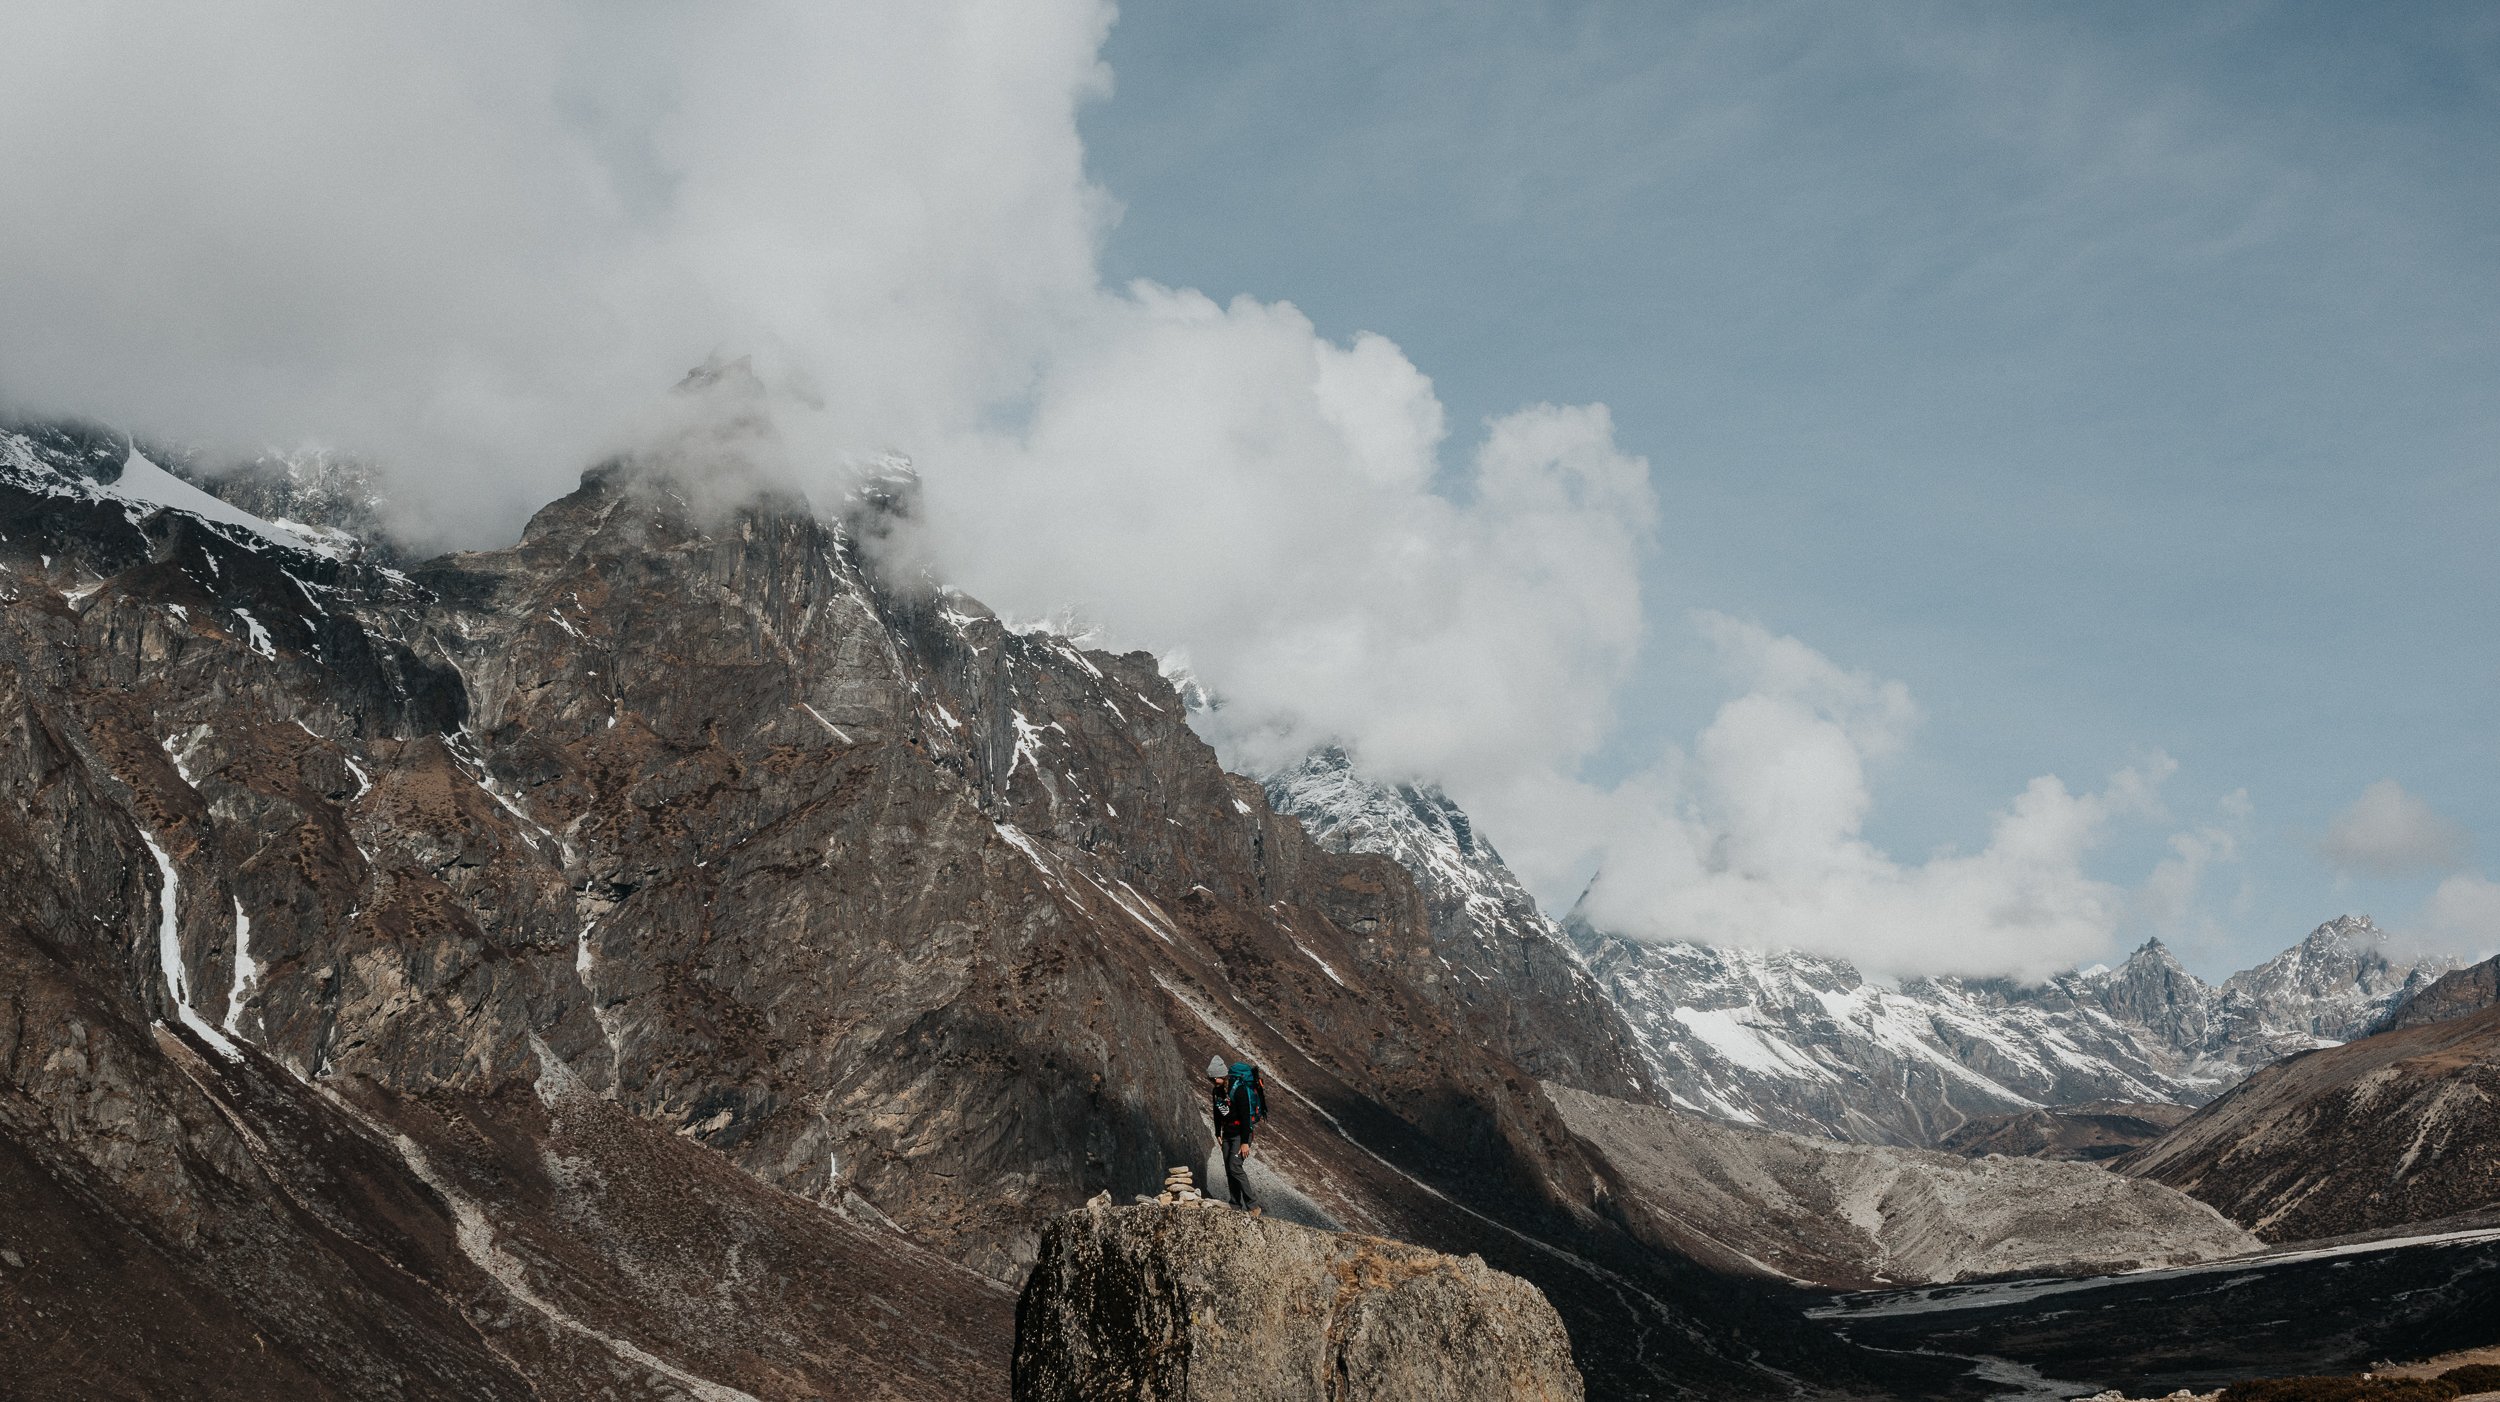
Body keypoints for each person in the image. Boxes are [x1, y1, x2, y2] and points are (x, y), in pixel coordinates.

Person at [1207, 1054, 1266, 1212]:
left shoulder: (1238, 1089)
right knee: (1228, 1168)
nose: (1212, 1082)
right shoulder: (1217, 1091)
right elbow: (1217, 1111)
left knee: (1235, 1166)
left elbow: (1246, 1116)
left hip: (1241, 1134)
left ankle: (1253, 1205)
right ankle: (1235, 1204)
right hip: (1227, 1133)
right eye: (1211, 1080)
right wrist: (1218, 1131)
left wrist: (1245, 1142)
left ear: (1221, 1075)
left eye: (1214, 1079)